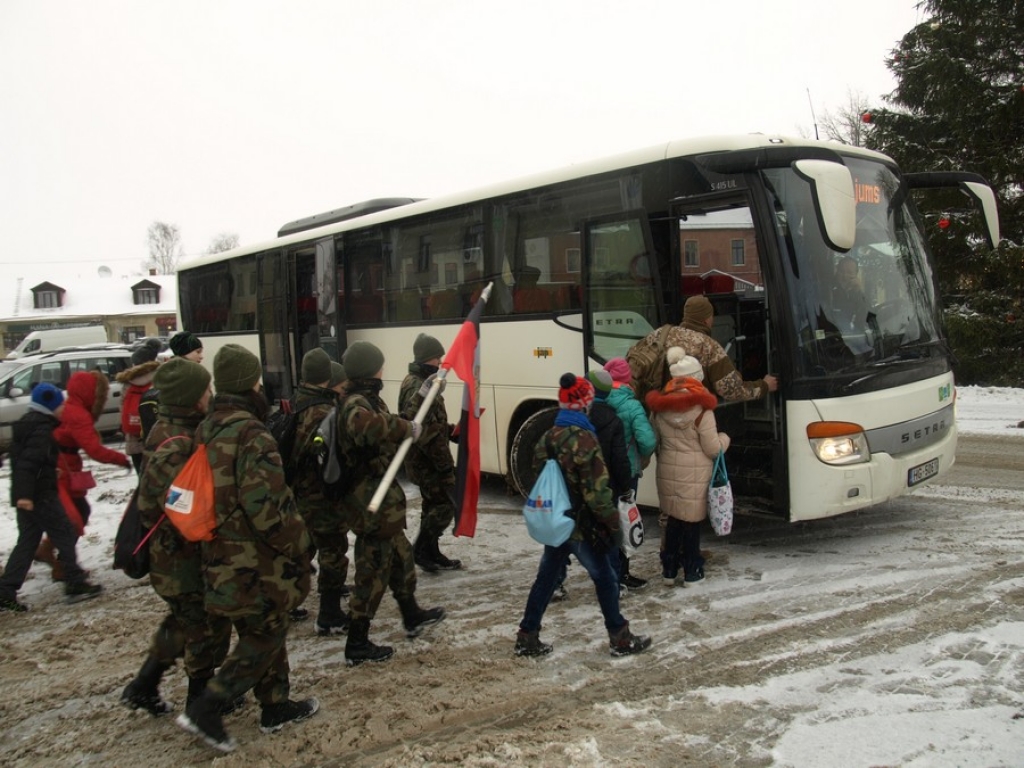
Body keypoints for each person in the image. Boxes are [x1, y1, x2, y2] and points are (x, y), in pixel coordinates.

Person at [177, 344, 318, 753]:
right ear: (248, 384)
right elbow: (267, 506)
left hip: (218, 548)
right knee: (267, 631)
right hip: (253, 555)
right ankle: (210, 705)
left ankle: (275, 704)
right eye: (257, 379)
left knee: (261, 624)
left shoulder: (208, 426)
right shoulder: (252, 433)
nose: (262, 385)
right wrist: (298, 545)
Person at [121, 357, 234, 717]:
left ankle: (143, 685)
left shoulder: (173, 429)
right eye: (206, 389)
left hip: (175, 554)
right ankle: (199, 700)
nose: (211, 394)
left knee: (181, 621)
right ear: (191, 397)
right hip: (181, 556)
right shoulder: (178, 441)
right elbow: (168, 504)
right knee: (200, 626)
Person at [514, 373, 652, 659]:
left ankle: (527, 635)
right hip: (582, 526)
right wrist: (612, 523)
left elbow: (537, 473)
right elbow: (598, 492)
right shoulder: (585, 441)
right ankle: (620, 637)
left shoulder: (548, 437)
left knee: (547, 577)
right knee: (605, 578)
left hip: (558, 522)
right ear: (585, 405)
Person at [335, 340, 445, 666]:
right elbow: (367, 428)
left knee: (400, 557)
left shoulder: (368, 398)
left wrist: (422, 399)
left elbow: (396, 423)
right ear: (372, 369)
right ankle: (357, 641)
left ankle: (411, 614)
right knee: (371, 572)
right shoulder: (355, 403)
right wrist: (402, 426)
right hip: (370, 501)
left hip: (384, 501)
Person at [0, 384, 103, 611]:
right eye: (60, 404)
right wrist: (27, 495)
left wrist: (47, 473)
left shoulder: (29, 424)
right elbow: (28, 464)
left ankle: (6, 590)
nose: (63, 408)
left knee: (27, 541)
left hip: (29, 494)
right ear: (49, 404)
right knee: (65, 532)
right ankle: (75, 583)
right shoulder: (41, 430)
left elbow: (25, 462)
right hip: (40, 495)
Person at [35, 370, 131, 580]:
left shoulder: (69, 407)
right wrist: (121, 459)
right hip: (62, 472)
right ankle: (63, 565)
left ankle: (53, 554)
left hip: (62, 469)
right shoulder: (79, 415)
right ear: (91, 394)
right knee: (74, 518)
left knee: (73, 514)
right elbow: (94, 450)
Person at [646, 348, 731, 586]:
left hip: (666, 471)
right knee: (691, 525)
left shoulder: (659, 407)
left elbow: (655, 441)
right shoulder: (702, 410)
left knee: (673, 521)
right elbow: (713, 449)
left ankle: (669, 570)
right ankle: (693, 570)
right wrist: (725, 439)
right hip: (695, 474)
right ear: (697, 377)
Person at [290, 348, 351, 637]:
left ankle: (287, 601)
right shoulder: (324, 413)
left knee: (304, 548)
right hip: (322, 496)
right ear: (327, 378)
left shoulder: (297, 404)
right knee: (333, 552)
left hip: (301, 494)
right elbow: (333, 459)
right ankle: (330, 614)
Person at [398, 333, 462, 573]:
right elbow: (424, 432)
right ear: (427, 359)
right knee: (444, 505)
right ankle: (422, 550)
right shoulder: (417, 385)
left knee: (432, 504)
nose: (441, 362)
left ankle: (431, 551)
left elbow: (430, 422)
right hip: (427, 461)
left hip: (424, 459)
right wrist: (445, 465)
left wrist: (451, 432)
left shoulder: (419, 380)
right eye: (437, 358)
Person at [654, 296, 778, 401]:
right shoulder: (709, 347)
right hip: (689, 413)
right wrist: (764, 386)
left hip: (658, 410)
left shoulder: (659, 335)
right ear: (707, 319)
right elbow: (731, 390)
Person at [586, 368, 643, 594]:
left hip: (586, 485)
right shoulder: (613, 419)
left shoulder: (582, 416)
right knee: (610, 534)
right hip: (608, 486)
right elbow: (620, 459)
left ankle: (559, 580)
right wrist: (626, 485)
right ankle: (613, 580)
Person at [603, 357, 657, 589]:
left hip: (602, 471)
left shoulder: (599, 400)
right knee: (625, 520)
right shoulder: (632, 404)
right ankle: (621, 574)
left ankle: (608, 572)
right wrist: (642, 455)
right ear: (627, 379)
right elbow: (647, 440)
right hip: (627, 471)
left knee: (608, 522)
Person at [139, 331, 204, 442]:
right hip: (182, 440)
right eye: (198, 352)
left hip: (160, 439)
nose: (201, 356)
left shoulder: (164, 374)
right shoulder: (188, 379)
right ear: (185, 352)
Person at [117, 337, 163, 473]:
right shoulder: (159, 378)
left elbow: (122, 407)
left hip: (133, 439)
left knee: (141, 476)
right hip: (155, 437)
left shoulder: (128, 382)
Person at [830, 255, 870, 331]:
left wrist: (859, 293)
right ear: (837, 272)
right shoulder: (829, 292)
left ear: (856, 274)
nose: (845, 276)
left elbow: (867, 319)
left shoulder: (859, 294)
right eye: (842, 271)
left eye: (850, 272)